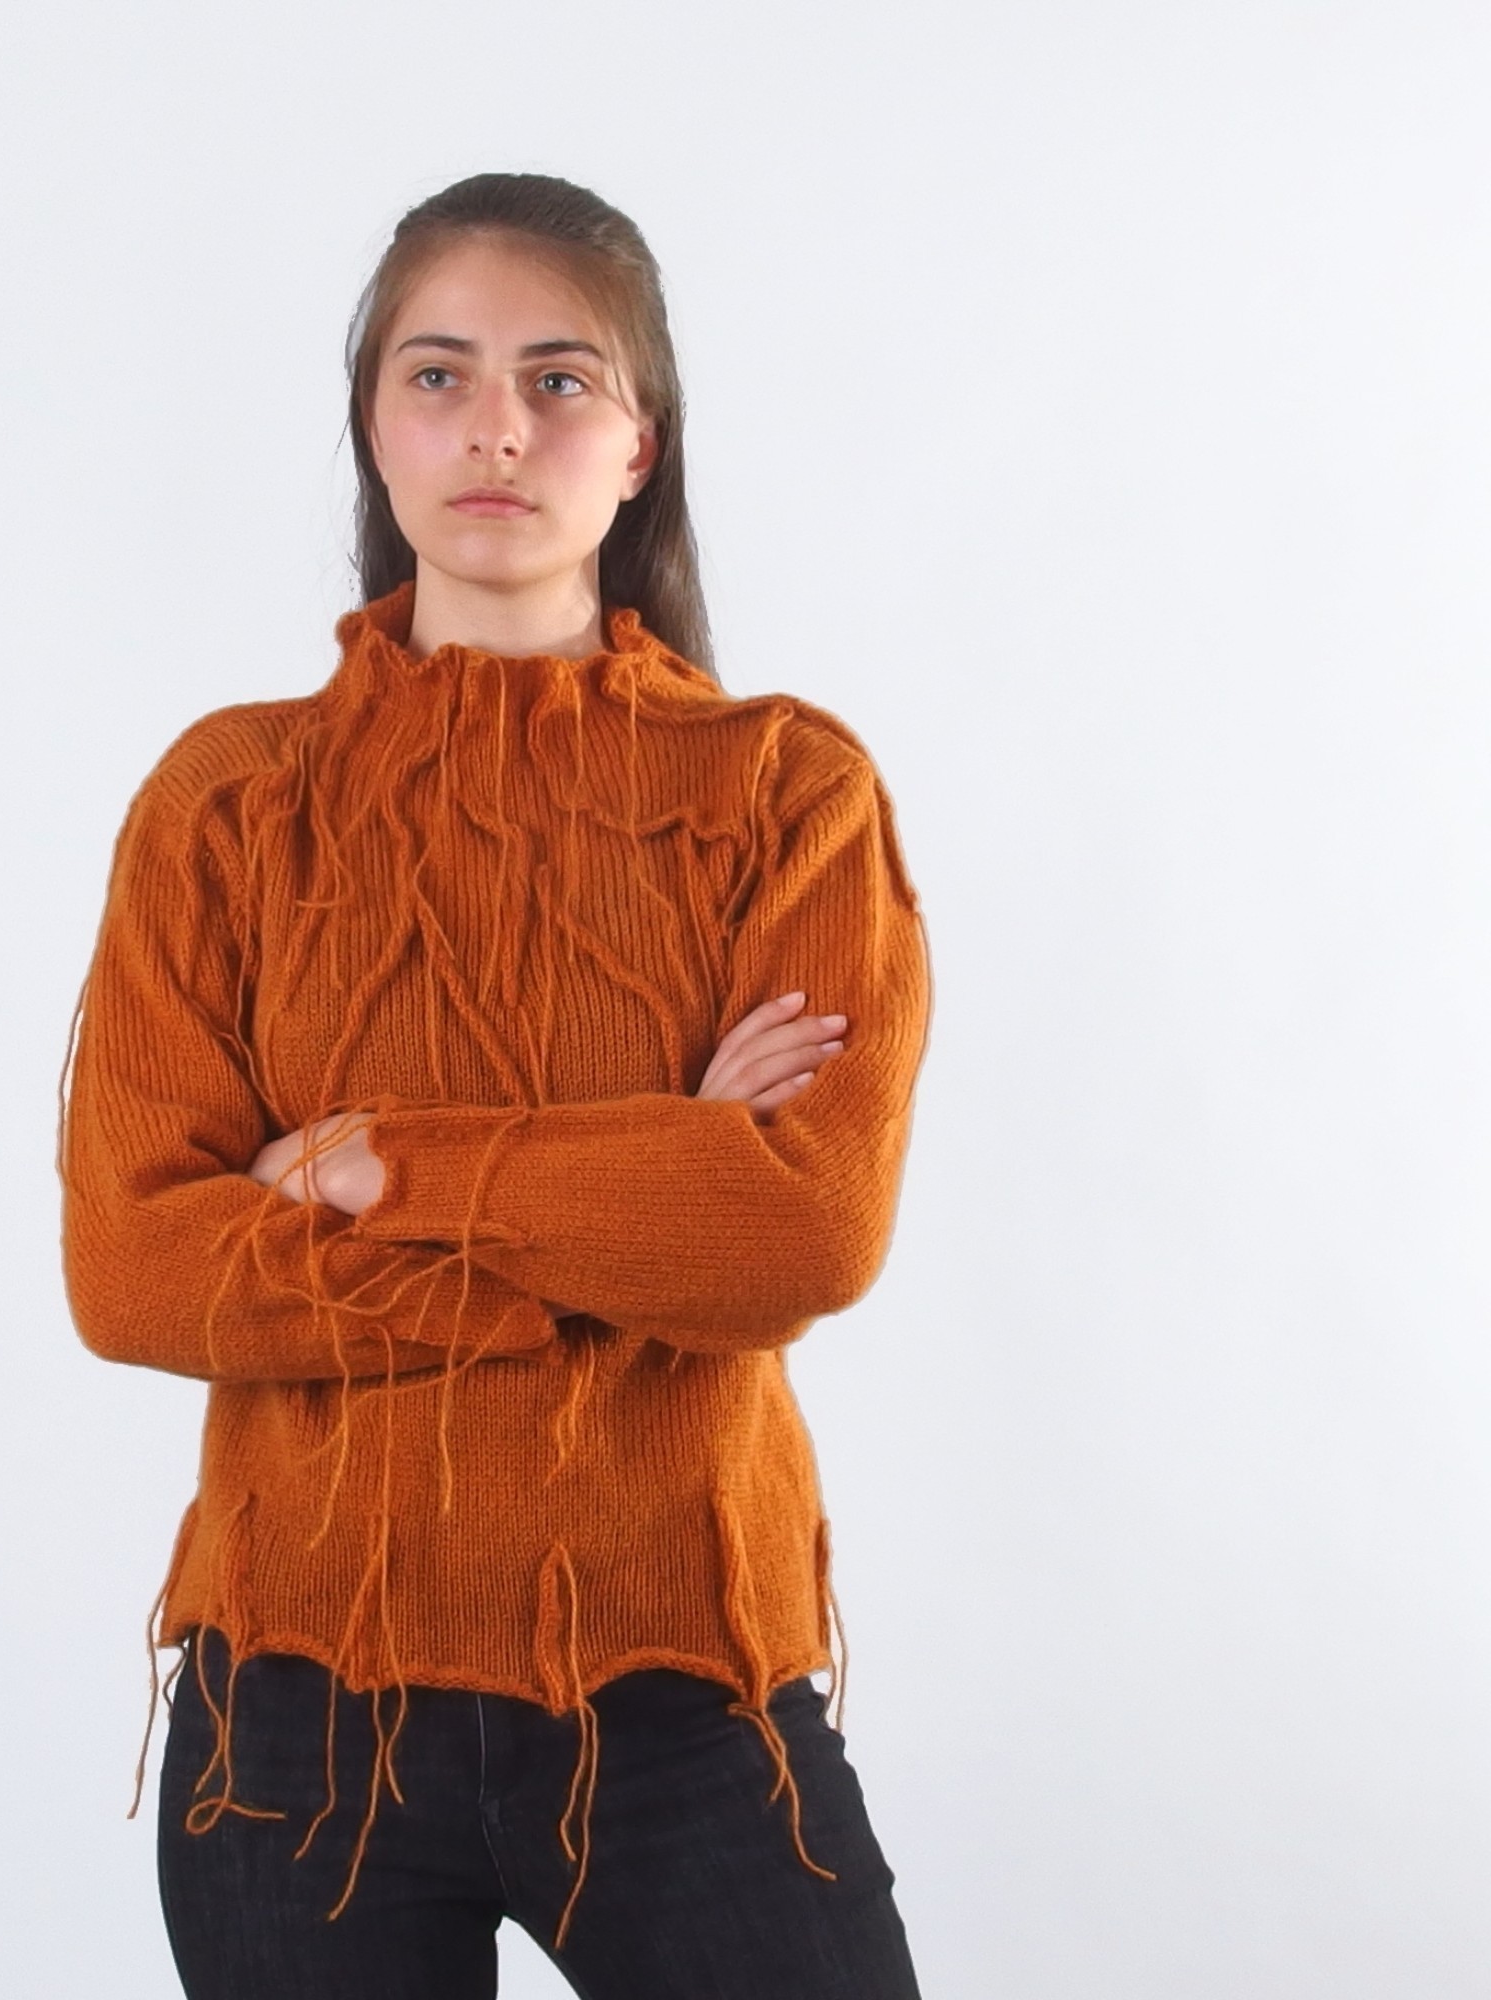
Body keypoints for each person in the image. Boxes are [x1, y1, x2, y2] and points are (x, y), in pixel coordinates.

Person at [57, 171, 933, 2000]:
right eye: (439, 375)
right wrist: (648, 1190)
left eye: (560, 379)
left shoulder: (788, 791)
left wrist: (374, 1166)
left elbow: (800, 1237)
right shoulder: (228, 803)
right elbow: (135, 1273)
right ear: (374, 426)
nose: (498, 428)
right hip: (294, 1720)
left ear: (640, 444)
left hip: (685, 1693)